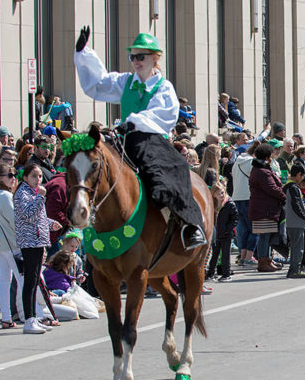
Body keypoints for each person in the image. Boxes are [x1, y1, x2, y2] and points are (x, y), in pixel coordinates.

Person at [73, 26, 207, 249]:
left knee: (172, 172)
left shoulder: (164, 87)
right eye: (132, 56)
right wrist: (83, 54)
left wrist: (134, 121)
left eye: (141, 56)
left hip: (151, 140)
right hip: (124, 138)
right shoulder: (126, 82)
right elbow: (97, 84)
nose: (136, 61)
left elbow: (164, 115)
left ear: (155, 58)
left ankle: (189, 225)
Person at [15, 163, 61, 334]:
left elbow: (38, 217)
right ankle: (28, 319)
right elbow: (27, 215)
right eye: (34, 176)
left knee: (34, 280)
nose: (38, 180)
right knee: (30, 280)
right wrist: (41, 198)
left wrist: (49, 224)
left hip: (37, 240)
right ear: (25, 177)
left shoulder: (33, 193)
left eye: (40, 176)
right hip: (29, 242)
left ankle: (33, 317)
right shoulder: (23, 193)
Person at [0, 163, 23, 328]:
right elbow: (15, 221)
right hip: (10, 244)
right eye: (10, 175)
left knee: (5, 280)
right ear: (0, 178)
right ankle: (30, 314)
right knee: (21, 279)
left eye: (14, 175)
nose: (13, 178)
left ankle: (6, 317)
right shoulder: (4, 196)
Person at [247, 143, 285, 272]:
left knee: (266, 236)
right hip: (264, 209)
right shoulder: (262, 172)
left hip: (264, 207)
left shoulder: (260, 169)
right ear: (268, 156)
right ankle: (263, 262)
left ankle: (267, 260)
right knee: (264, 236)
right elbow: (272, 189)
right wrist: (284, 196)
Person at [283, 165, 305, 278]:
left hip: (290, 221)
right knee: (298, 248)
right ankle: (294, 270)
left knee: (296, 246)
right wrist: (304, 215)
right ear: (299, 174)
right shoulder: (294, 187)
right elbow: (296, 203)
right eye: (302, 176)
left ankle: (293, 269)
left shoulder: (286, 186)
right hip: (296, 222)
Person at [231, 144, 258, 266]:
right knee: (254, 229)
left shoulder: (237, 162)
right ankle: (249, 257)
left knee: (243, 230)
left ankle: (242, 257)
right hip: (249, 197)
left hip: (237, 197)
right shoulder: (253, 162)